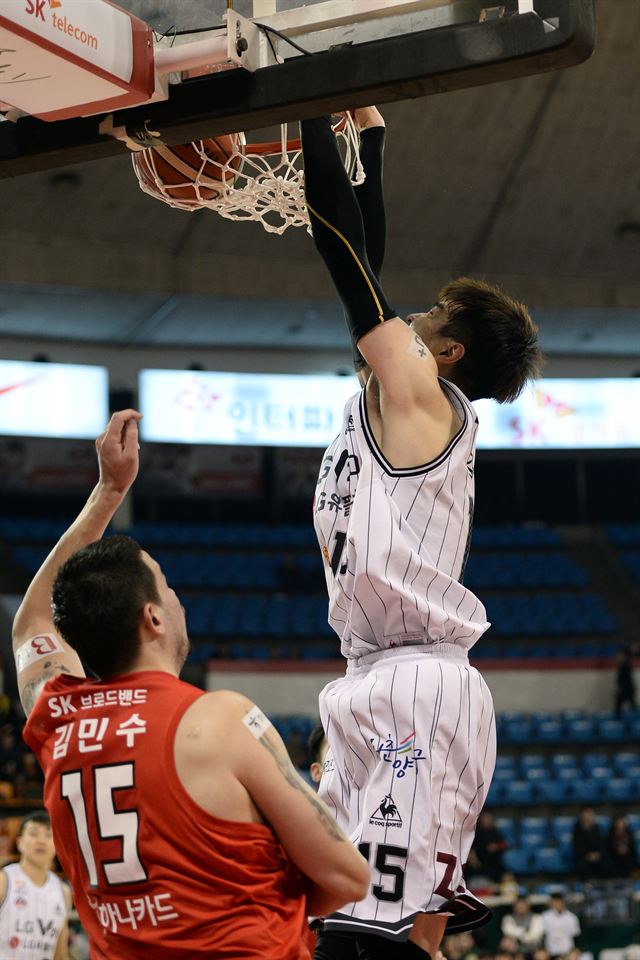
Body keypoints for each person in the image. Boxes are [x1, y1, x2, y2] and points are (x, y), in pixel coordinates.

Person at [300, 104, 542, 960]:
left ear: (448, 356)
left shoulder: (426, 402)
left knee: (377, 940)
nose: (414, 313)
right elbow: (367, 266)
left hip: (419, 684)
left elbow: (344, 256)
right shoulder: (395, 393)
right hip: (366, 680)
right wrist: (368, 141)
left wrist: (300, 105)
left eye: (435, 314)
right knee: (343, 926)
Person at [12, 410, 369, 960]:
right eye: (167, 585)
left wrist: (108, 493)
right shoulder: (219, 719)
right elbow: (347, 875)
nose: (179, 598)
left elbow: (32, 621)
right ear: (153, 618)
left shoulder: (58, 717)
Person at [0, 810, 72, 959]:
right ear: (20, 843)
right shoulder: (4, 880)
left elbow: (60, 954)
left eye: (48, 835)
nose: (41, 841)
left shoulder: (63, 891)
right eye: (33, 833)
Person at [468, 813, 508, 883]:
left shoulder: (495, 832)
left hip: (494, 860)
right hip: (479, 860)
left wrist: (496, 846)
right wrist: (472, 856)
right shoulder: (476, 833)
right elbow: (470, 847)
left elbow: (505, 844)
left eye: (489, 819)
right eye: (485, 820)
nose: (487, 821)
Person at [540, 893, 580, 960]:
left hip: (567, 953)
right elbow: (542, 935)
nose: (557, 904)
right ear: (551, 902)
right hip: (550, 953)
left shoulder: (572, 917)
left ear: (563, 902)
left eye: (559, 901)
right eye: (555, 901)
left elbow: (575, 937)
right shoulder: (545, 917)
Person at [572, 807, 605, 880]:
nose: (589, 816)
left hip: (596, 855)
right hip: (583, 856)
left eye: (591, 814)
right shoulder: (577, 829)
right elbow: (577, 846)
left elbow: (601, 844)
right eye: (587, 813)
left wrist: (598, 854)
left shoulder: (596, 828)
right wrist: (587, 855)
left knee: (606, 862)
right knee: (582, 864)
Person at [614, 646, 637, 717]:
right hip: (625, 689)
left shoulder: (626, 665)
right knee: (621, 705)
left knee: (622, 704)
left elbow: (625, 680)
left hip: (627, 689)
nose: (618, 657)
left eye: (620, 655)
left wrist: (621, 689)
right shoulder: (622, 665)